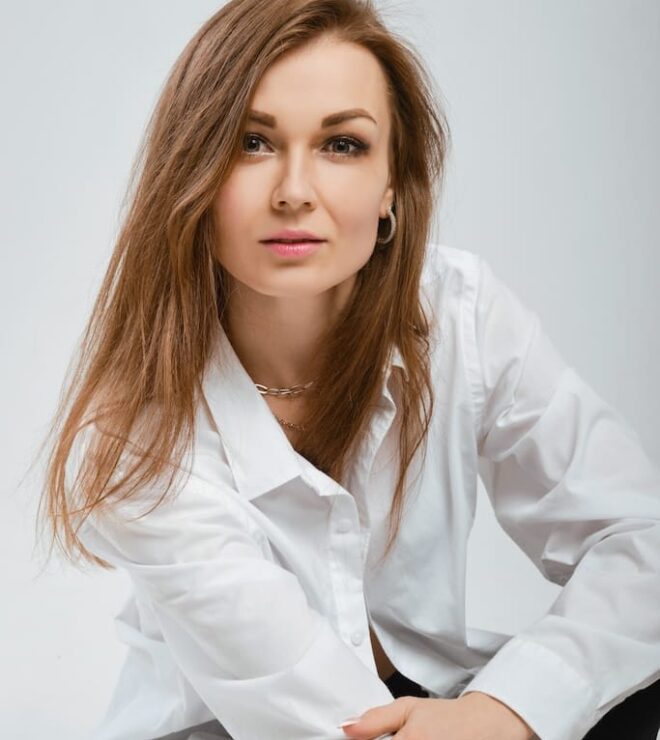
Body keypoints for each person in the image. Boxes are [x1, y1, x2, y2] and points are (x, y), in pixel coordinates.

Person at [36, 1, 660, 739]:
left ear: (392, 185)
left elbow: (640, 541)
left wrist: (506, 709)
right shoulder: (138, 434)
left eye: (342, 145)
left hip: (435, 702)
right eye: (252, 143)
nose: (294, 191)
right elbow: (331, 721)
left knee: (622, 682)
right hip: (250, 729)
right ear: (193, 174)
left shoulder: (458, 312)